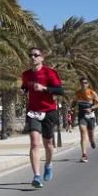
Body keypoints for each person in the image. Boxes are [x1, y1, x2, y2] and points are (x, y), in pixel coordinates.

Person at [21, 47, 63, 187]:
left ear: (42, 58)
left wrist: (44, 88)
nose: (33, 57)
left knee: (48, 144)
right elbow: (25, 86)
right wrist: (24, 90)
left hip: (49, 111)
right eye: (30, 55)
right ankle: (36, 176)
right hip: (33, 111)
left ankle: (49, 164)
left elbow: (60, 90)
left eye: (36, 55)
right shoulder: (26, 74)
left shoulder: (49, 72)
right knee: (34, 143)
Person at [73, 78, 98, 162]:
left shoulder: (92, 92)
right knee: (83, 133)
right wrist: (71, 108)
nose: (84, 84)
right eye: (82, 83)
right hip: (81, 115)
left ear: (88, 84)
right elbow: (74, 102)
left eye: (85, 83)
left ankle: (92, 141)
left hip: (91, 116)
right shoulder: (77, 93)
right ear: (80, 84)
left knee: (91, 136)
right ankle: (84, 154)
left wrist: (91, 108)